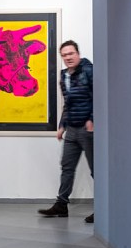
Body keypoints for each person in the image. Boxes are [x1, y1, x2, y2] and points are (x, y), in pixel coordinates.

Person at [39, 40, 94, 222]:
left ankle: (102, 209)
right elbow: (67, 104)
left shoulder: (89, 71)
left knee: (96, 170)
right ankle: (61, 205)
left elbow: (99, 97)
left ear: (78, 54)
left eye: (71, 53)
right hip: (71, 129)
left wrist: (92, 120)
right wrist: (62, 126)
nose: (68, 57)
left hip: (88, 130)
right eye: (64, 55)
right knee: (67, 167)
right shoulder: (64, 75)